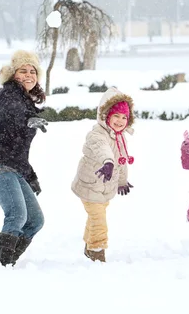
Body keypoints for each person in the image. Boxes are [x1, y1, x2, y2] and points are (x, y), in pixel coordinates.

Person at [0, 50, 48, 266]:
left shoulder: (25, 101)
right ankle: (2, 266)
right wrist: (27, 120)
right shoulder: (9, 94)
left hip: (14, 167)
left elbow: (19, 149)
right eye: (23, 71)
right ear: (13, 75)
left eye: (33, 71)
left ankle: (10, 261)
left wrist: (30, 176)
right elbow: (12, 116)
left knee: (35, 221)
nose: (29, 75)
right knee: (17, 215)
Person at [71, 87, 135, 262]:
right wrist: (107, 162)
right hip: (90, 185)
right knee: (99, 221)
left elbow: (121, 161)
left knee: (95, 217)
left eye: (124, 117)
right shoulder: (97, 134)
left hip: (104, 187)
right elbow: (102, 149)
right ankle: (97, 252)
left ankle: (88, 244)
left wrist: (122, 181)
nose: (120, 121)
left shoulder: (120, 137)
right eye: (116, 116)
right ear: (105, 115)